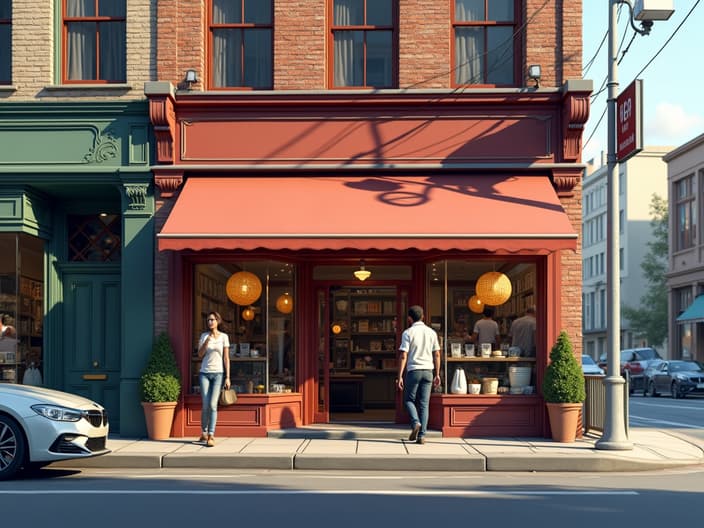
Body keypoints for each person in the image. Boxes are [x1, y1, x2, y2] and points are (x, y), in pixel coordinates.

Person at [396, 305, 440, 445]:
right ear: (423, 317)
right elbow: (437, 354)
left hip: (414, 370)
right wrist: (437, 374)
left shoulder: (408, 333)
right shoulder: (432, 332)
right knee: (424, 404)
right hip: (428, 371)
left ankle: (415, 422)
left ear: (409, 318)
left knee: (408, 400)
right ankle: (422, 436)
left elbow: (404, 355)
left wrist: (400, 375)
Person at [197, 311, 230, 447]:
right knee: (205, 405)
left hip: (218, 374)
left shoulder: (224, 337)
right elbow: (199, 355)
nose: (210, 322)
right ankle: (203, 432)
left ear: (218, 321)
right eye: (208, 320)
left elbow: (226, 358)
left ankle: (211, 435)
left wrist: (228, 377)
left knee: (212, 405)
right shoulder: (204, 336)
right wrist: (206, 342)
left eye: (212, 319)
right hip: (204, 373)